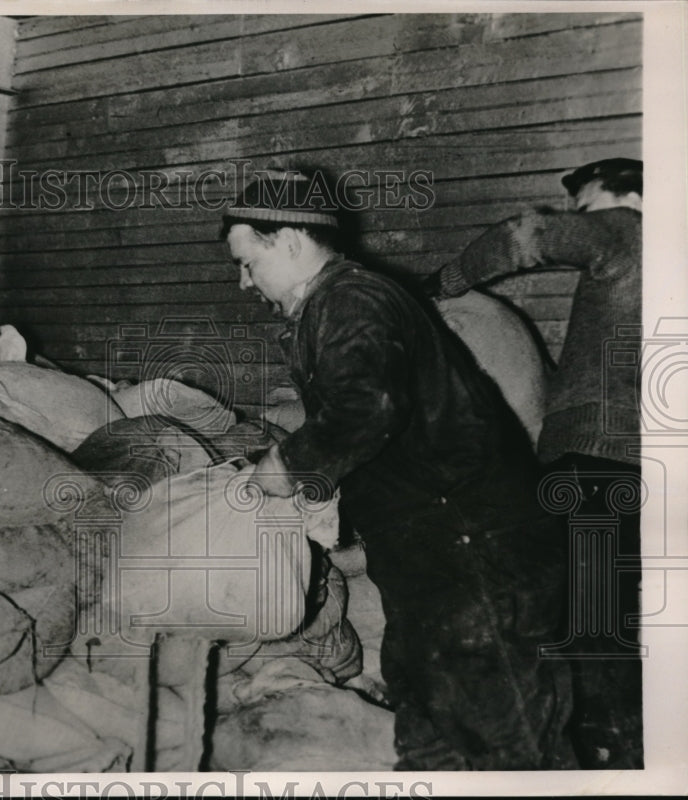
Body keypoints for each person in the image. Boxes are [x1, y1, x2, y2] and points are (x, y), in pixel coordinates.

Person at [222, 170, 576, 770]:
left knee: (508, 737)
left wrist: (288, 466)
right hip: (429, 557)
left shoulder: (351, 299)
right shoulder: (331, 305)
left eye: (247, 262)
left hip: (473, 551)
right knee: (429, 723)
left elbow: (366, 410)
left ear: (287, 240)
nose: (242, 282)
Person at [427, 157, 643, 769]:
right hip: (646, 464)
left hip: (594, 458)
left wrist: (442, 283)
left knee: (582, 615)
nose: (581, 216)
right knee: (615, 611)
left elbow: (523, 237)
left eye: (588, 203)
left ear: (627, 195)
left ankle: (605, 754)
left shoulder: (628, 230)